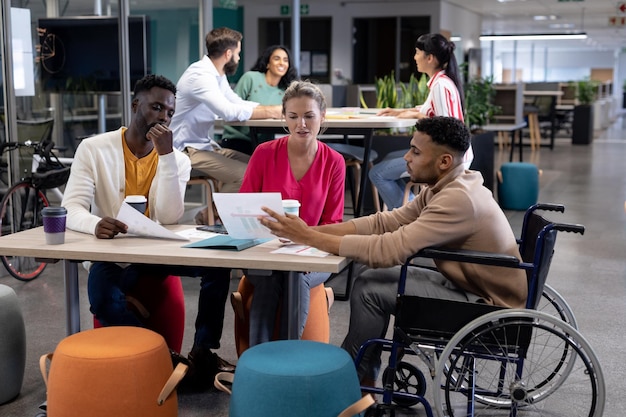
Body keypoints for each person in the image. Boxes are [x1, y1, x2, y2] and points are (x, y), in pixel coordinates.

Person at [256, 116, 527, 383]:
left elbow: (389, 250)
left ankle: (353, 378)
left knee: (371, 289)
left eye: (416, 151)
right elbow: (385, 222)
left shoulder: (457, 199)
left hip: (488, 307)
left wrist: (308, 237)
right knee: (369, 278)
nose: (407, 157)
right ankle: (360, 377)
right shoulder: (446, 185)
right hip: (469, 286)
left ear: (444, 161)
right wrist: (310, 232)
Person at [61, 74, 235, 392]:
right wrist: (96, 224)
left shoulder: (177, 160)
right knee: (101, 298)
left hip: (158, 251)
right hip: (114, 252)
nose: (163, 117)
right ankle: (165, 359)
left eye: (169, 112)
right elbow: (71, 208)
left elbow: (169, 217)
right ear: (135, 104)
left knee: (218, 265)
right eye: (156, 107)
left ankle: (202, 352)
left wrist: (166, 156)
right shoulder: (93, 149)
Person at [240, 80, 346, 345]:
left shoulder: (334, 162)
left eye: (309, 116)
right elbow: (242, 207)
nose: (301, 124)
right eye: (293, 116)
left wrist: (304, 237)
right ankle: (261, 366)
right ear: (283, 118)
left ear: (322, 116)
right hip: (264, 249)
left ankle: (286, 361)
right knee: (269, 276)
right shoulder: (263, 154)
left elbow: (334, 222)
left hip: (313, 253)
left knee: (294, 274)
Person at [169, 27, 282, 223]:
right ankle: (211, 216)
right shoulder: (201, 76)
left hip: (202, 146)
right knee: (243, 175)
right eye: (238, 53)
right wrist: (271, 111)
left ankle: (212, 213)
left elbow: (235, 101)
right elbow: (228, 112)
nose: (238, 58)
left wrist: (272, 108)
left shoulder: (216, 75)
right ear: (228, 54)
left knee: (259, 166)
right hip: (185, 151)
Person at [371, 33, 473, 210]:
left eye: (417, 52)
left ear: (430, 58)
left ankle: (410, 215)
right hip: (446, 156)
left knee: (377, 173)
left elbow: (445, 126)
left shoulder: (440, 85)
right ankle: (412, 210)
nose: (415, 57)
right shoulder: (440, 83)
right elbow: (426, 109)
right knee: (388, 159)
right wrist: (401, 111)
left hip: (446, 159)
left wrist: (416, 116)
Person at [221, 45, 298, 154]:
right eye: (277, 59)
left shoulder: (286, 91)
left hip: (264, 145)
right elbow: (231, 107)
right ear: (267, 63)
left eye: (285, 60)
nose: (282, 63)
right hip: (238, 140)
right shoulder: (250, 78)